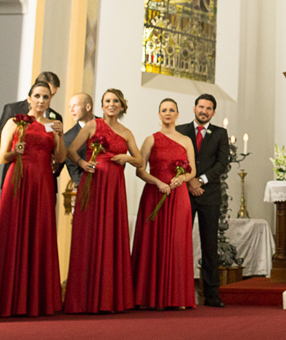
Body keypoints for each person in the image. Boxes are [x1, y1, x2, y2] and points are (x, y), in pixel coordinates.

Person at [0, 80, 66, 317]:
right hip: (18, 181)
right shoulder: (14, 121)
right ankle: (10, 298)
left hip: (42, 183)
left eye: (46, 97)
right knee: (14, 233)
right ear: (29, 98)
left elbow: (60, 157)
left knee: (40, 233)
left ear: (50, 100)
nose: (42, 101)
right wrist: (15, 152)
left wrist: (60, 135)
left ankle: (37, 299)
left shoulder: (53, 125)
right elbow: (2, 158)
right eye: (38, 96)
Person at [64, 88, 143, 313]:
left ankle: (109, 297)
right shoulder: (92, 126)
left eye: (115, 101)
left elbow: (140, 161)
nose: (111, 104)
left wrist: (127, 157)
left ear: (122, 105)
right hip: (93, 185)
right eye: (107, 101)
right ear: (102, 105)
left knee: (111, 235)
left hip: (115, 188)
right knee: (89, 234)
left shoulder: (126, 133)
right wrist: (82, 164)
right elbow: (70, 150)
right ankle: (84, 298)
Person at [133, 99, 197, 309]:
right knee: (154, 241)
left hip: (179, 197)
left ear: (178, 114)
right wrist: (158, 182)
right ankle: (148, 297)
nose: (168, 113)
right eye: (164, 110)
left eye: (171, 110)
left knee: (178, 243)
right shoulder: (150, 139)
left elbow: (192, 171)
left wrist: (182, 179)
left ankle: (177, 297)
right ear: (159, 115)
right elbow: (140, 170)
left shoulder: (186, 140)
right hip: (154, 194)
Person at [176, 94, 230, 307]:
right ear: (194, 108)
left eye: (208, 108)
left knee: (210, 245)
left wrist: (201, 180)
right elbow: (177, 159)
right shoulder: (181, 131)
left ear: (213, 112)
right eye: (201, 107)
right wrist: (190, 182)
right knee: (179, 243)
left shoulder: (220, 133)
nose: (204, 111)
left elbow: (222, 163)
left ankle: (211, 295)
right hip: (184, 194)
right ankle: (178, 292)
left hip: (209, 195)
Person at [0, 71, 64, 186]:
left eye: (49, 95)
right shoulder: (14, 110)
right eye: (38, 95)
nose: (42, 100)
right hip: (18, 172)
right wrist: (18, 150)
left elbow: (58, 152)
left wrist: (54, 162)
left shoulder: (55, 118)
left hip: (44, 176)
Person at [63, 92, 96, 187]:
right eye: (70, 106)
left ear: (88, 107)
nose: (71, 110)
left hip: (109, 183)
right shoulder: (68, 137)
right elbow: (74, 171)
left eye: (75, 105)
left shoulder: (105, 126)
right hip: (86, 188)